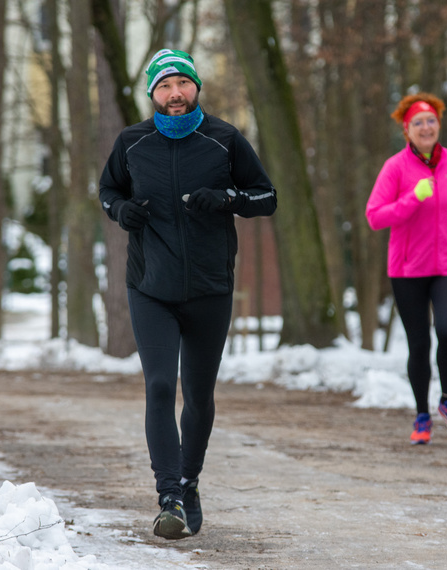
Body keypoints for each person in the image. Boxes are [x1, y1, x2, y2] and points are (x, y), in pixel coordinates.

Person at [98, 49, 277, 540]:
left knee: (198, 394)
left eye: (182, 83)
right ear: (152, 94)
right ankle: (169, 495)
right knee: (159, 385)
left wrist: (228, 200)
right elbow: (108, 190)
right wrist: (121, 212)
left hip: (209, 288)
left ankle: (190, 480)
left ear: (195, 87)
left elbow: (267, 197)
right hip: (150, 287)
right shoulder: (132, 142)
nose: (174, 93)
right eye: (164, 86)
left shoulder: (224, 140)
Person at [365, 93, 447, 445]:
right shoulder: (395, 167)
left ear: (438, 125)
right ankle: (422, 414)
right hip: (408, 269)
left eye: (431, 121)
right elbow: (375, 216)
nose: (426, 127)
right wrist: (413, 197)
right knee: (418, 343)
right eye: (418, 123)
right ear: (407, 130)